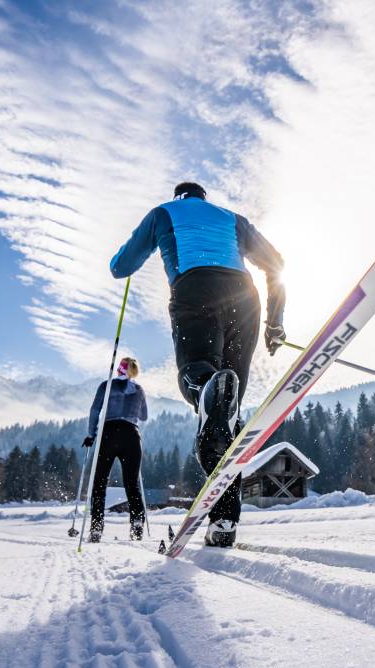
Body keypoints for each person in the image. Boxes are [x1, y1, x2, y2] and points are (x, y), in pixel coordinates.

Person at [108, 181, 285, 547]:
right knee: (225, 415)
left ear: (179, 197)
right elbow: (276, 264)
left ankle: (206, 388)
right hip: (245, 299)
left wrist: (124, 260)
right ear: (205, 198)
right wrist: (275, 323)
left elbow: (120, 266)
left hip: (195, 290)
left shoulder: (164, 213)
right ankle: (223, 523)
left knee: (202, 380)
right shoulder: (232, 218)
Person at [83, 356, 148, 543]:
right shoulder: (139, 389)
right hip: (131, 435)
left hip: (108, 434)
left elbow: (95, 410)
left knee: (100, 483)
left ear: (119, 369)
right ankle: (136, 523)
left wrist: (91, 435)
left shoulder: (107, 385)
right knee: (132, 484)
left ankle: (96, 528)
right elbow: (144, 416)